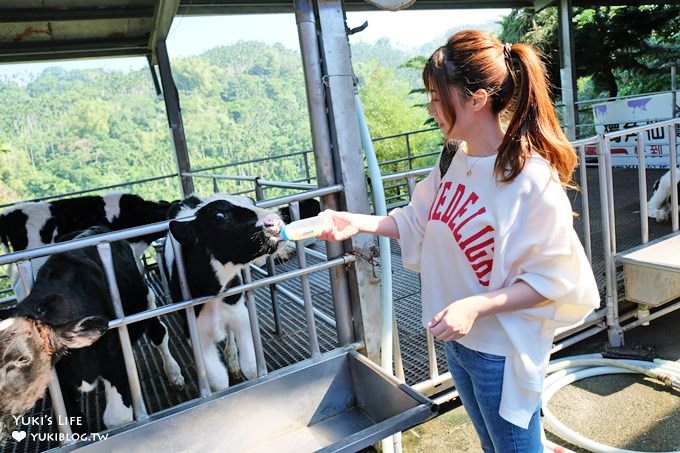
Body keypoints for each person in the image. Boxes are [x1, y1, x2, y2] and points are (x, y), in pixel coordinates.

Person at [318, 30, 599, 452]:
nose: (431, 108)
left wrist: (476, 305)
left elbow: (556, 280)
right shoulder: (453, 157)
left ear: (476, 99)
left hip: (499, 355)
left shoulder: (530, 180)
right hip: (459, 345)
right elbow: (419, 219)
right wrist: (354, 221)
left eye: (436, 97)